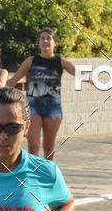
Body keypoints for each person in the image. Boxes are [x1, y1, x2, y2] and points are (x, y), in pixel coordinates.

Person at [7, 28, 76, 161]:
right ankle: (32, 174)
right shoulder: (31, 61)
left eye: (48, 38)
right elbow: (13, 81)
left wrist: (92, 79)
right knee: (34, 145)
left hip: (53, 106)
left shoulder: (60, 62)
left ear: (55, 43)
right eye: (42, 38)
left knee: (49, 148)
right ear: (38, 42)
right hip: (33, 105)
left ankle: (48, 176)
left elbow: (80, 74)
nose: (45, 41)